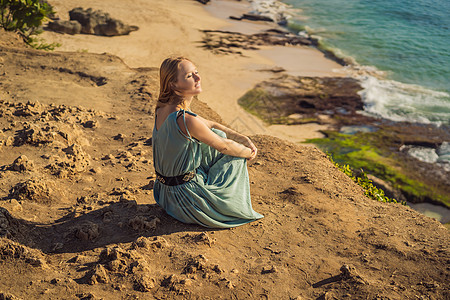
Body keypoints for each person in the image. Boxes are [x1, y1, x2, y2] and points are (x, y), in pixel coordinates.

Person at [152, 56, 263, 228]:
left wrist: (242, 138)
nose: (198, 78)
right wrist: (249, 152)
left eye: (197, 72)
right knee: (236, 156)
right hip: (186, 200)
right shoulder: (185, 119)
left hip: (165, 196)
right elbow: (224, 147)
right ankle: (231, 206)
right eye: (190, 76)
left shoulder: (162, 109)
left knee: (217, 133)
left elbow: (211, 124)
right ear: (173, 84)